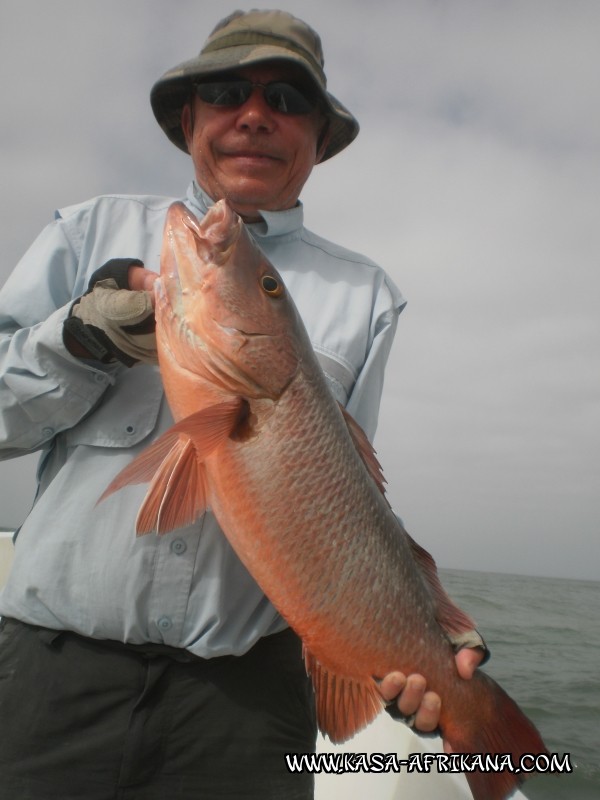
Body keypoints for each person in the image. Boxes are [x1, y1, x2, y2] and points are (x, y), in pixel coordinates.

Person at [0, 9, 485, 800]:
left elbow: (348, 501)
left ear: (318, 141)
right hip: (54, 675)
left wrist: (436, 633)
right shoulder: (87, 231)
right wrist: (78, 339)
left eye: (289, 100)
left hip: (246, 704)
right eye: (226, 91)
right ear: (190, 118)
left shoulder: (365, 297)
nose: (254, 115)